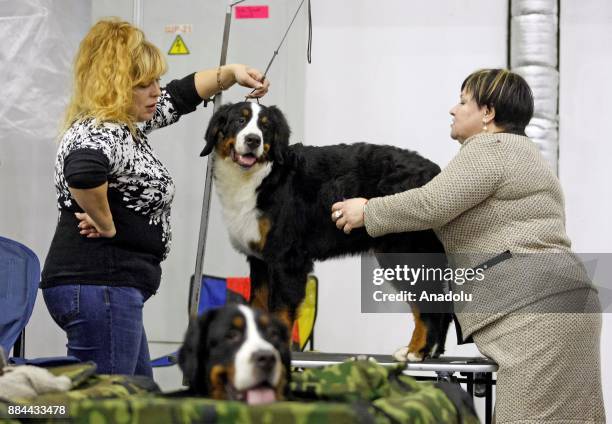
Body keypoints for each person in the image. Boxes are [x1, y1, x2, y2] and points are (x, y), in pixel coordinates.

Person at [331, 69, 605, 423]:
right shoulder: (530, 157)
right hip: (571, 301)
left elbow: (433, 204)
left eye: (463, 102)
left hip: (535, 313)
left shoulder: (490, 148)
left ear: (488, 113)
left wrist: (368, 211)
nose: (453, 110)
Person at [40, 18, 269, 378]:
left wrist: (232, 73)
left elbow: (179, 96)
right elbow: (83, 171)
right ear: (114, 87)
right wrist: (106, 224)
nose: (156, 92)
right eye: (144, 85)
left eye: (156, 81)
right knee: (111, 405)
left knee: (141, 396)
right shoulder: (100, 131)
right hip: (102, 284)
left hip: (110, 288)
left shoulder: (125, 125)